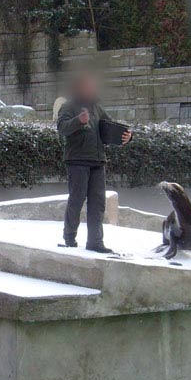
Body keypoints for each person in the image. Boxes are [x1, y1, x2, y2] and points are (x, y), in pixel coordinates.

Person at [56, 73, 132, 253]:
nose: (92, 89)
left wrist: (127, 137)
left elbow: (110, 129)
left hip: (98, 161)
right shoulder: (68, 107)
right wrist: (78, 121)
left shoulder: (97, 109)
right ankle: (69, 238)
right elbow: (62, 128)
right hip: (77, 161)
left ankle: (95, 242)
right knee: (77, 200)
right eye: (88, 86)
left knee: (98, 203)